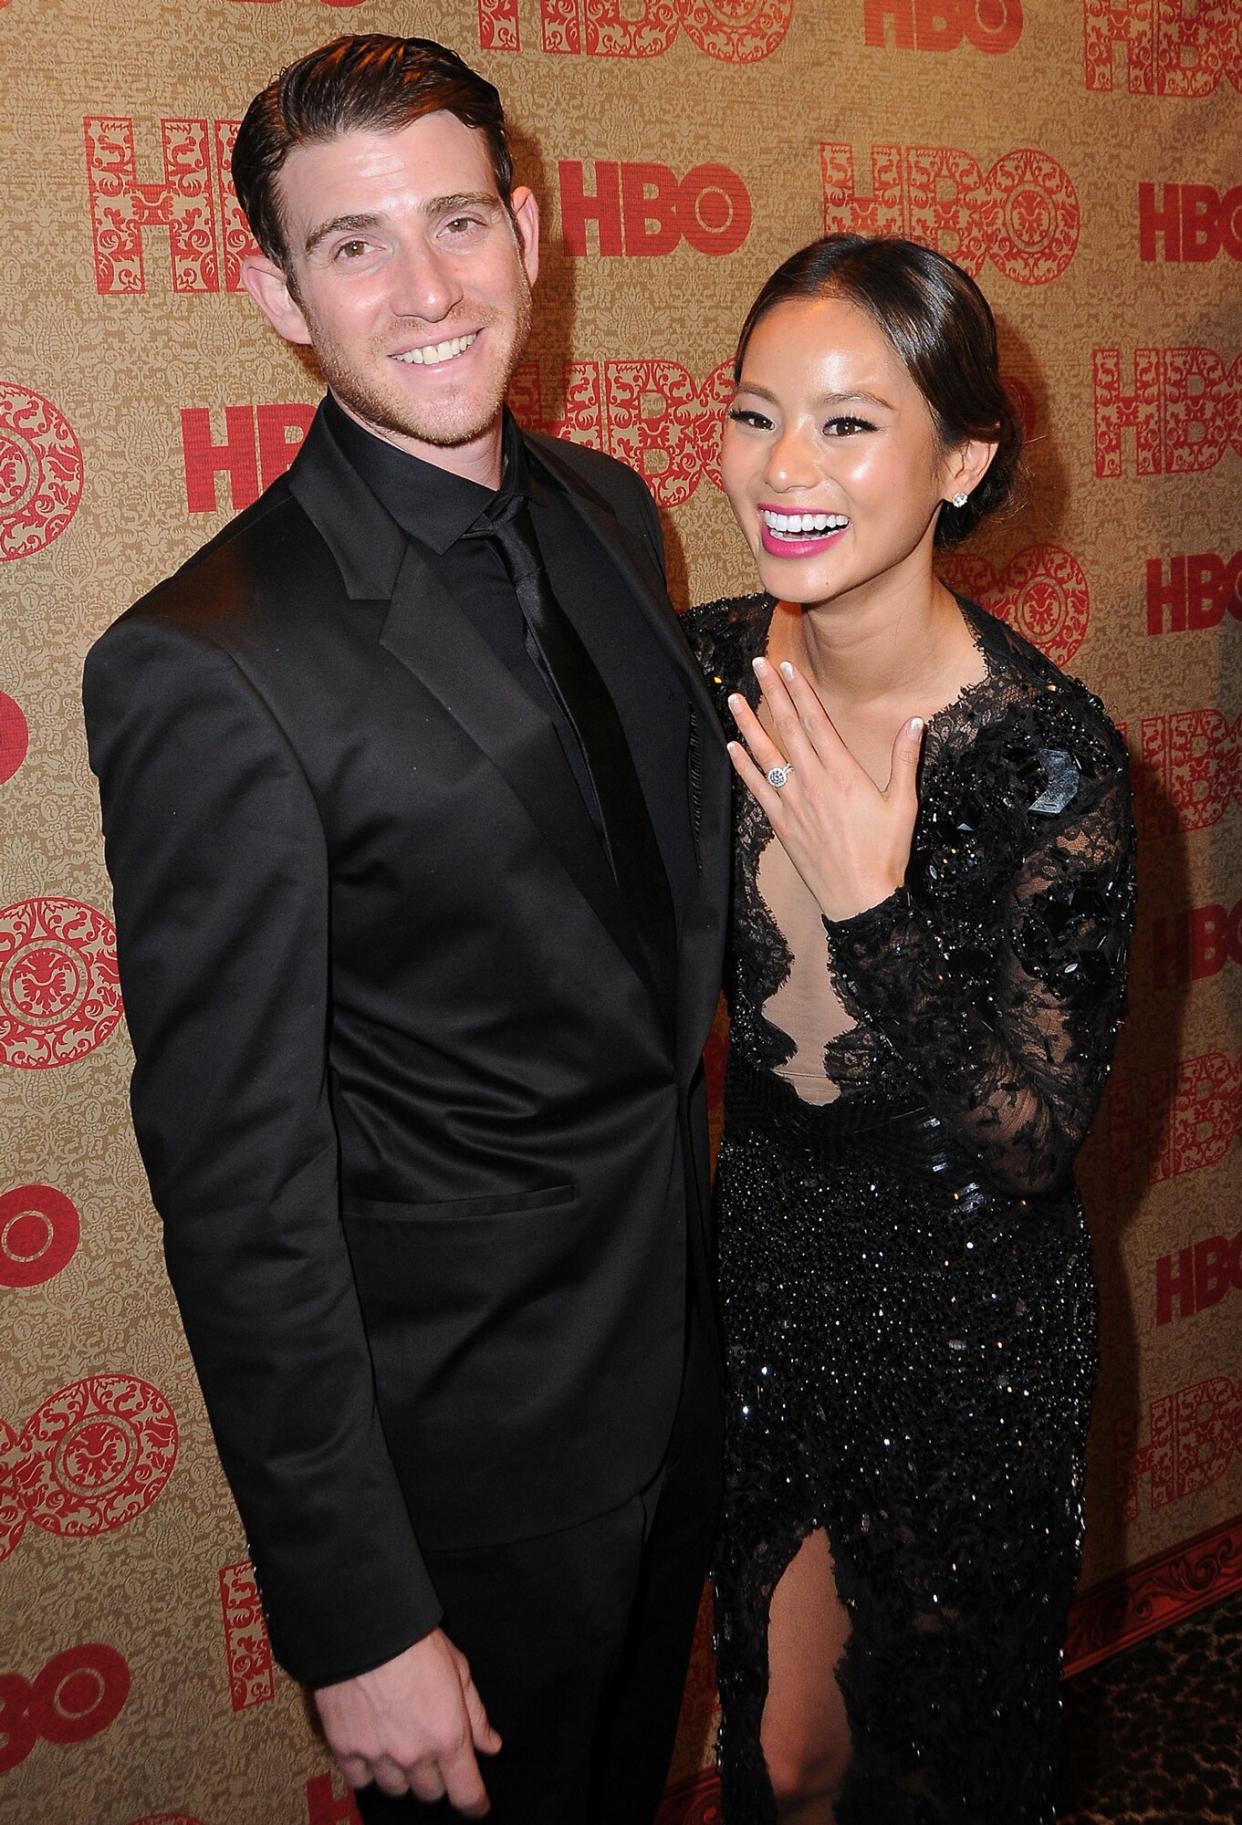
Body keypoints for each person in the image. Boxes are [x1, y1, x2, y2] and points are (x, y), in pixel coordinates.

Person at [83, 34, 730, 1824]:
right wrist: (359, 1615)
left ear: (528, 229)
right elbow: (239, 1184)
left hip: (680, 1372)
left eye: (456, 220)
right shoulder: (205, 662)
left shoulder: (611, 509)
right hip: (469, 1481)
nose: (427, 287)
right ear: (273, 292)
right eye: (352, 244)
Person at [685, 235, 1135, 1824]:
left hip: (966, 1318)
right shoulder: (711, 665)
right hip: (771, 1271)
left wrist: (875, 908)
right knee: (786, 1750)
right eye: (753, 416)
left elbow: (1029, 1144)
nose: (782, 469)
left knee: (925, 1774)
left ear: (963, 457)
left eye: (848, 423)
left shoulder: (1047, 755)